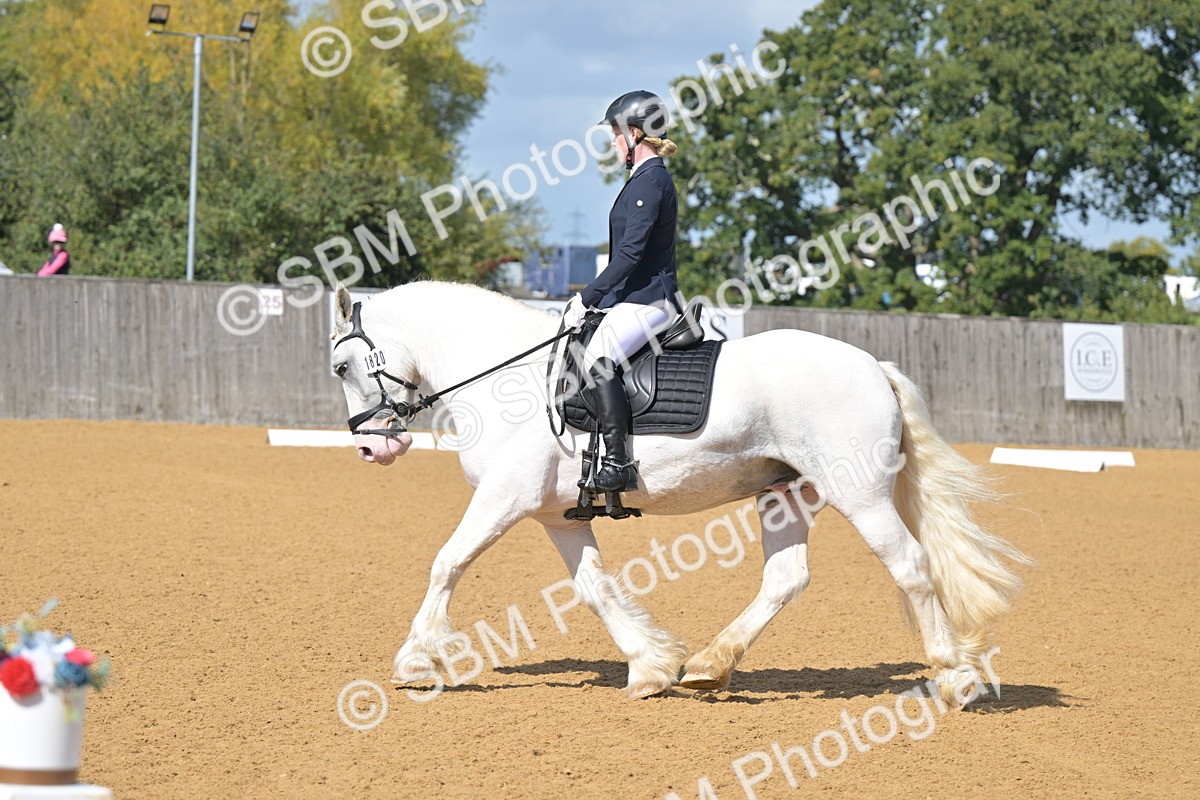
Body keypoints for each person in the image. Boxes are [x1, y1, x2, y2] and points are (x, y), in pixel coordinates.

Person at [562, 90, 681, 493]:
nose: (613, 142)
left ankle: (618, 462)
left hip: (651, 299)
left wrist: (587, 297)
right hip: (633, 298)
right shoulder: (643, 179)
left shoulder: (652, 180)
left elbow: (630, 255)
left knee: (598, 359)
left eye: (615, 134)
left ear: (635, 134)